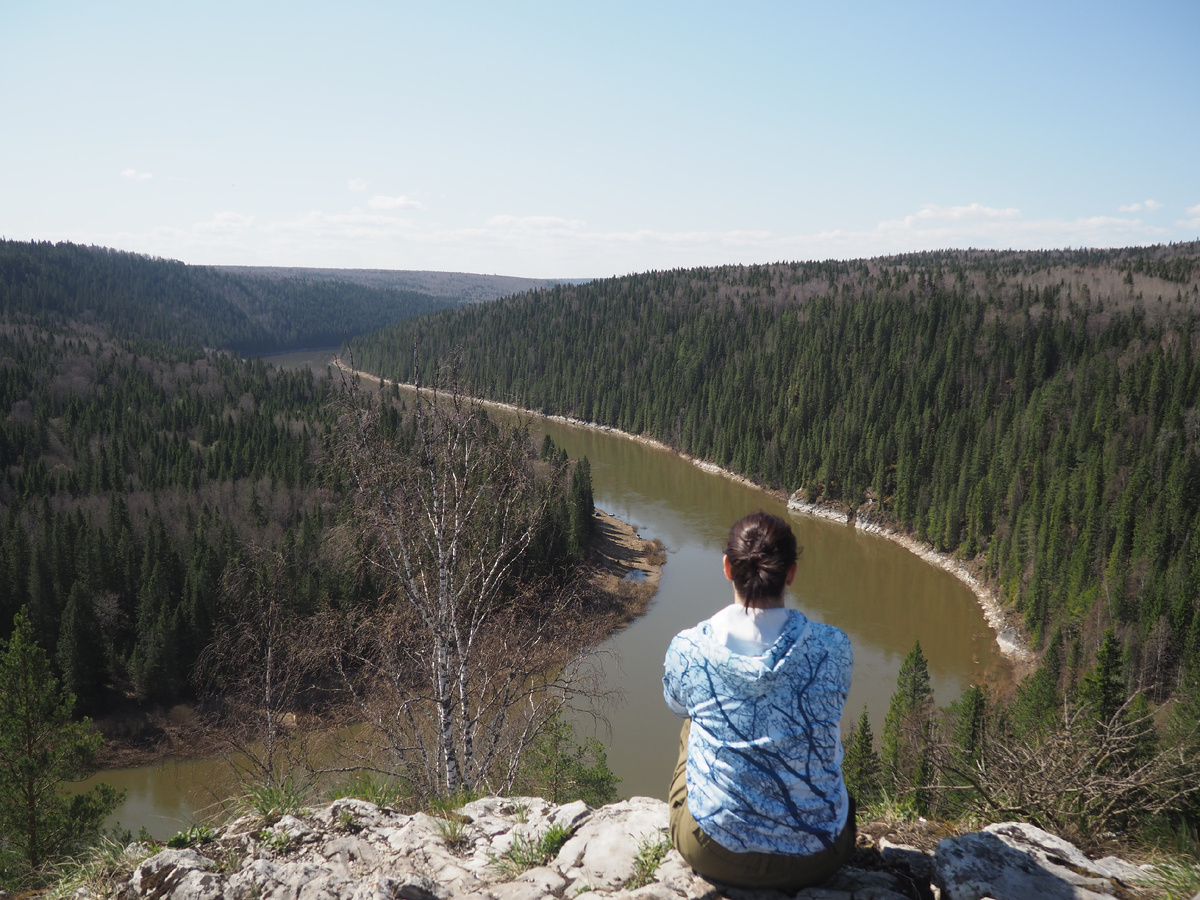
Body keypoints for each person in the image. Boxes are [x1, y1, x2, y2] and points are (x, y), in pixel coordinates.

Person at [662, 511, 855, 891]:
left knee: (693, 720)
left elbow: (674, 703)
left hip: (713, 851)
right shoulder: (834, 647)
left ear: (727, 568)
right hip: (820, 854)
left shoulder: (689, 649)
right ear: (792, 573)